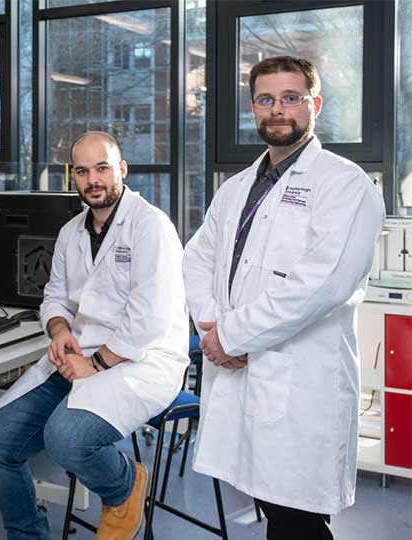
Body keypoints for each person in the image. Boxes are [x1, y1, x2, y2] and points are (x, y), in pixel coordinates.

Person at [182, 56, 385, 540]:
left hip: (300, 382)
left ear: (314, 104)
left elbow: (321, 286)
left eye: (291, 98)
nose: (278, 110)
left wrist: (229, 335)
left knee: (298, 518)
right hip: (239, 369)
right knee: (273, 508)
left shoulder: (345, 185)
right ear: (254, 108)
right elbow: (197, 259)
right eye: (266, 100)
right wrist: (212, 329)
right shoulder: (235, 188)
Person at [0, 131, 189, 540]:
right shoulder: (72, 231)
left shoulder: (151, 228)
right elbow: (55, 294)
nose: (94, 179)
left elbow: (150, 320)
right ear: (72, 177)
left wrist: (94, 364)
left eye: (103, 168)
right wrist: (57, 331)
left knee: (66, 439)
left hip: (140, 363)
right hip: (79, 359)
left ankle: (124, 484)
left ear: (122, 169)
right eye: (82, 171)